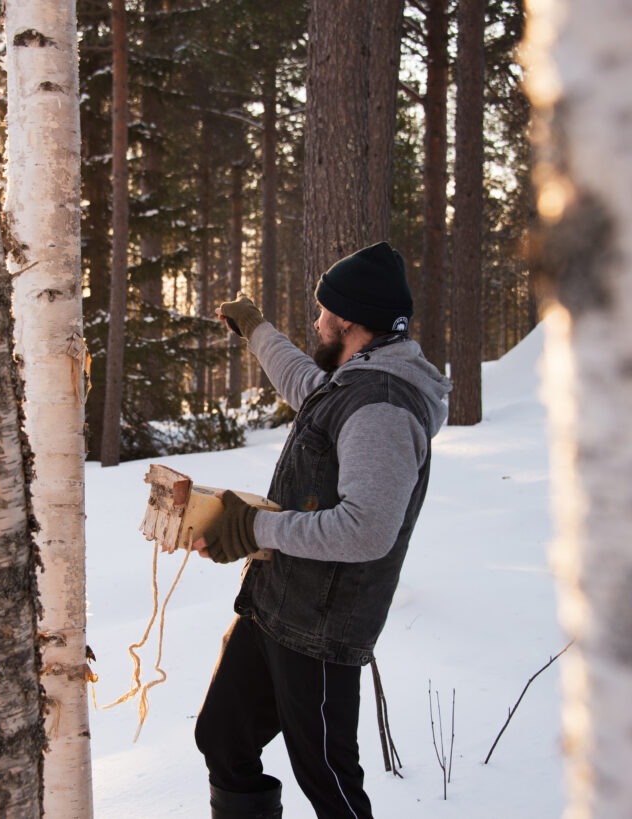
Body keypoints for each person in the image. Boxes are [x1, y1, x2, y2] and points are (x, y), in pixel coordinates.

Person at [192, 241, 452, 819]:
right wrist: (256, 328)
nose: (315, 320)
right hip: (275, 607)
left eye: (322, 311)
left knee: (329, 784)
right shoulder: (355, 379)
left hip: (320, 626)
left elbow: (366, 531)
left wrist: (256, 528)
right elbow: (302, 383)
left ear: (351, 321)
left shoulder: (382, 406)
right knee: (224, 739)